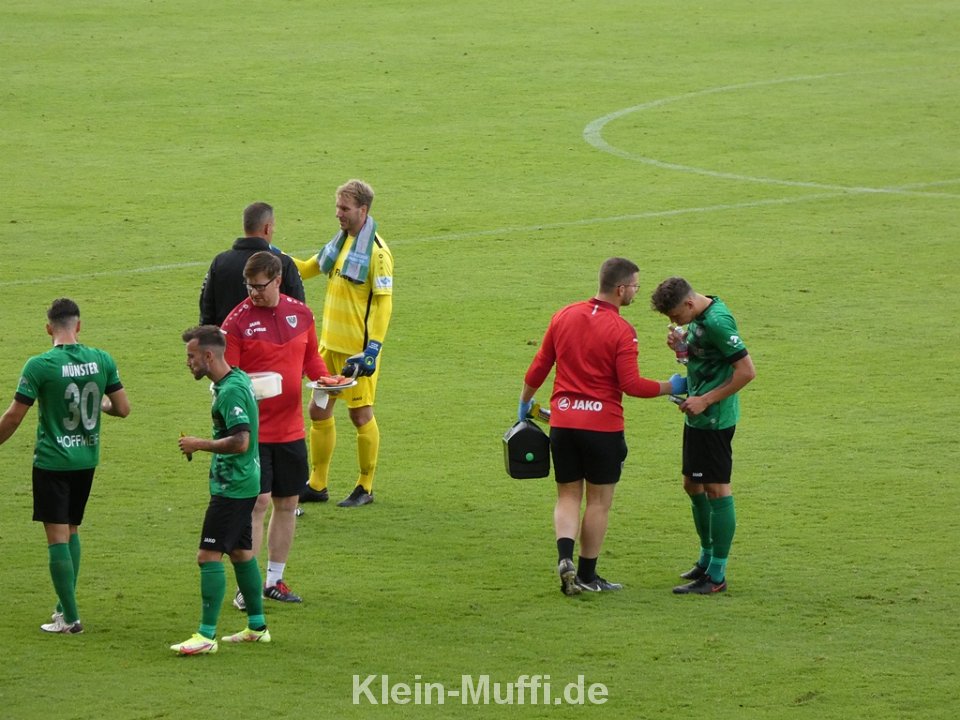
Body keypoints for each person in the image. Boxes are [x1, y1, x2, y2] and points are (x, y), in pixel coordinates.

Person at [519, 258, 686, 596]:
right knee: (598, 502)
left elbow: (539, 366)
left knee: (568, 495)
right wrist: (672, 386)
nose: (636, 291)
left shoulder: (564, 315)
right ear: (621, 289)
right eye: (635, 286)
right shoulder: (622, 330)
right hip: (602, 429)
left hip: (563, 424)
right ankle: (587, 575)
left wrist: (525, 402)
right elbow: (632, 385)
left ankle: (564, 558)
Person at [0, 298, 130, 634]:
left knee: (57, 536)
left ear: (48, 329)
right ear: (79, 325)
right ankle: (63, 606)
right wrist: (101, 405)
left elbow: (13, 417)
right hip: (87, 459)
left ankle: (71, 619)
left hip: (53, 461)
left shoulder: (40, 365)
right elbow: (123, 408)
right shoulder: (102, 359)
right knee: (71, 529)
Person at [221, 251, 328, 606]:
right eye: (249, 286)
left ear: (278, 280)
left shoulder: (302, 314)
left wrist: (327, 381)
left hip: (291, 429)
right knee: (258, 503)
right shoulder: (236, 323)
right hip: (253, 431)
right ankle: (246, 587)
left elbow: (311, 359)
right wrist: (254, 388)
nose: (253, 293)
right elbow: (227, 379)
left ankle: (274, 580)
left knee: (287, 503)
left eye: (260, 286)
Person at [289, 179, 394, 508]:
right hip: (328, 348)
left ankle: (365, 487)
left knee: (360, 415)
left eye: (344, 208)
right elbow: (308, 269)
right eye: (337, 206)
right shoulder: (340, 243)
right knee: (318, 410)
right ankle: (317, 484)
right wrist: (271, 254)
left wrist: (373, 349)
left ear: (363, 210)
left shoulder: (377, 253)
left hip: (356, 353)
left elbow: (384, 303)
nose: (338, 213)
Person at [650, 276, 756, 595]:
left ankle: (717, 576)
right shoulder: (699, 315)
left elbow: (746, 371)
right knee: (692, 484)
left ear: (688, 303)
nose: (674, 322)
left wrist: (706, 400)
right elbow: (706, 359)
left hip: (715, 419)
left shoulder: (718, 323)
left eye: (675, 316)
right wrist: (681, 350)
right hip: (698, 416)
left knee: (717, 489)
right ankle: (706, 559)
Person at [172, 325, 270, 655]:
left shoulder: (230, 391)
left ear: (208, 356)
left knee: (207, 556)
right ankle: (257, 627)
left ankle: (206, 636)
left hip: (234, 486)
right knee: (241, 553)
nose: (187, 362)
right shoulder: (234, 379)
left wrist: (199, 444)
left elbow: (241, 441)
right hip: (244, 480)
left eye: (191, 356)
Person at [199, 201, 306, 326]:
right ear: (267, 228)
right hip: (271, 338)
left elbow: (206, 312)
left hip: (226, 337)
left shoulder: (220, 262)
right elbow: (298, 311)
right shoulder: (283, 263)